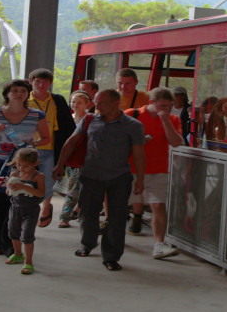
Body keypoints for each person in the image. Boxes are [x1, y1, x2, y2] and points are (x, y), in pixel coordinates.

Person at [54, 89, 146, 272]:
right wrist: (60, 164)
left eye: (101, 103)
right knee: (87, 213)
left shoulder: (133, 125)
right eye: (96, 102)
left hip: (119, 177)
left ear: (116, 103)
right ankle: (87, 243)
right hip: (91, 175)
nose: (97, 106)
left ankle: (111, 257)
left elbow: (138, 153)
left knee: (117, 218)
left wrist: (140, 180)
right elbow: (72, 141)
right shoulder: (89, 120)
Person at [0, 79, 50, 257]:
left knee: (16, 204)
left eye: (23, 91)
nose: (18, 94)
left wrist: (32, 143)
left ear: (27, 94)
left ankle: (9, 243)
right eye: (14, 90)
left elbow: (46, 138)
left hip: (23, 166)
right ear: (7, 93)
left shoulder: (37, 115)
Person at [125, 87, 183, 259]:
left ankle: (159, 244)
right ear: (152, 103)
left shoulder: (173, 119)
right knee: (122, 205)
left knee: (158, 204)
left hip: (158, 169)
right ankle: (115, 236)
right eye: (162, 106)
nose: (166, 110)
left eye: (169, 106)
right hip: (131, 168)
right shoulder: (132, 115)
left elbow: (176, 142)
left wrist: (165, 121)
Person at [27, 68, 76, 229]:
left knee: (49, 182)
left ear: (50, 83)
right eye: (37, 81)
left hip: (50, 148)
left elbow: (68, 126)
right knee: (27, 182)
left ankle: (46, 205)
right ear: (31, 82)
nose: (41, 85)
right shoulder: (24, 100)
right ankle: (29, 213)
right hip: (27, 150)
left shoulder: (57, 100)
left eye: (45, 81)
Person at [116, 68, 150, 234]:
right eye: (120, 84)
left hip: (138, 145)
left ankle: (137, 216)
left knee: (136, 180)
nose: (123, 87)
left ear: (136, 82)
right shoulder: (111, 97)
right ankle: (116, 217)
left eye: (128, 83)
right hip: (117, 146)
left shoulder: (146, 98)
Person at [4, 147, 45, 275]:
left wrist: (23, 186)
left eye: (26, 166)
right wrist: (8, 186)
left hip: (31, 210)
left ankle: (28, 261)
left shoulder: (38, 176)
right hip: (15, 208)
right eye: (19, 165)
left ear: (35, 164)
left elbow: (40, 193)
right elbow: (8, 192)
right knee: (13, 232)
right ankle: (17, 254)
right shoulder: (14, 174)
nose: (21, 168)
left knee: (27, 235)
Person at [56, 90, 92, 228]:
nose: (75, 104)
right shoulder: (68, 118)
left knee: (76, 188)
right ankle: (72, 213)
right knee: (74, 187)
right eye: (73, 101)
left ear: (86, 104)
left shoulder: (89, 119)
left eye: (79, 102)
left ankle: (66, 216)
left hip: (84, 158)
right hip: (70, 158)